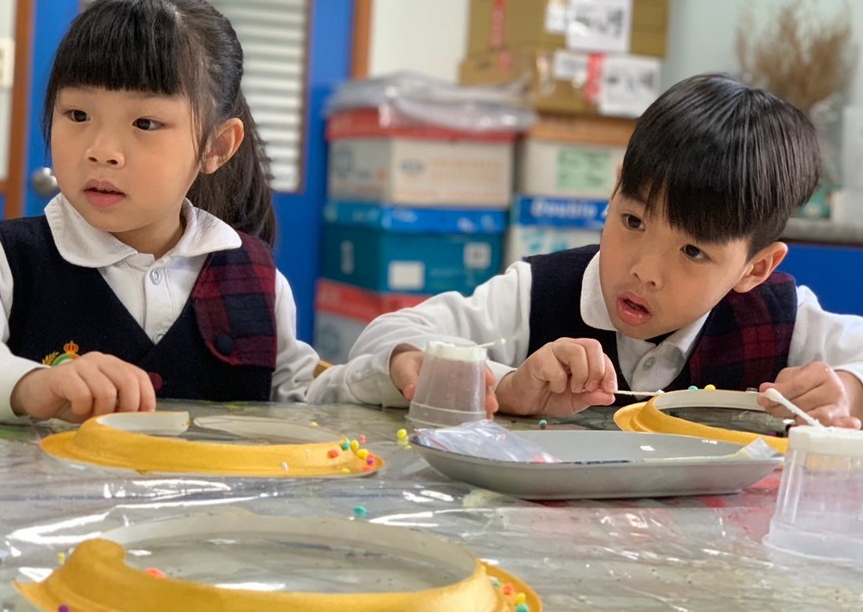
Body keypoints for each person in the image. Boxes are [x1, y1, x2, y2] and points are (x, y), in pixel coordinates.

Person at [0, 0, 337, 423]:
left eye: (145, 123)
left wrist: (374, 374)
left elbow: (300, 401)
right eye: (77, 114)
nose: (102, 150)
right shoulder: (4, 261)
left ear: (216, 147)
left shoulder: (257, 279)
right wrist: (27, 385)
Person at [338, 73, 863, 428]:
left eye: (692, 252)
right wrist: (508, 386)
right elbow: (388, 336)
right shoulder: (537, 293)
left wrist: (847, 389)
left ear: (756, 267)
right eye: (633, 221)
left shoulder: (779, 316)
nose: (645, 270)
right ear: (614, 190)